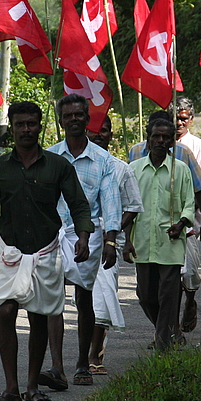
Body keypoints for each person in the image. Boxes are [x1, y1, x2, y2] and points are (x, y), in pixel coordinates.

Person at [0, 101, 93, 401]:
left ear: (41, 126)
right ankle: (10, 389)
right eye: (21, 124)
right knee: (5, 312)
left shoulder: (58, 166)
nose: (26, 129)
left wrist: (83, 237)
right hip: (10, 253)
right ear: (13, 128)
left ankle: (32, 388)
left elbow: (79, 205)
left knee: (39, 317)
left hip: (46, 252)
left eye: (32, 123)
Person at [42, 94, 121, 388]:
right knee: (52, 299)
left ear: (88, 121)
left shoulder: (104, 161)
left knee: (84, 298)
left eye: (79, 115)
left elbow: (111, 203)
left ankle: (82, 364)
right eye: (68, 116)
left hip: (89, 235)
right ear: (61, 121)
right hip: (53, 234)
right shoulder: (48, 156)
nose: (74, 120)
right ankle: (57, 367)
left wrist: (111, 242)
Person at [129, 110, 201, 345]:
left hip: (171, 240)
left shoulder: (181, 163)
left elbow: (195, 194)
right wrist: (120, 238)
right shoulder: (135, 161)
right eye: (156, 136)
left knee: (169, 293)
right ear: (148, 137)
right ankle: (170, 331)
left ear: (173, 140)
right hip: (143, 239)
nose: (161, 141)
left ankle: (164, 342)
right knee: (145, 295)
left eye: (167, 137)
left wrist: (190, 222)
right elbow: (129, 202)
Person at [85, 115, 143, 374]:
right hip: (76, 240)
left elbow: (132, 206)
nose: (98, 134)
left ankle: (94, 355)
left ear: (111, 135)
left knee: (103, 296)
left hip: (109, 243)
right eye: (94, 129)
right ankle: (77, 355)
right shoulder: (70, 165)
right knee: (82, 299)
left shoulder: (121, 168)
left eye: (104, 130)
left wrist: (114, 230)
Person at [167, 97, 201, 335]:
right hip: (164, 226)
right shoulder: (159, 144)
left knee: (190, 274)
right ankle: (170, 329)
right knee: (170, 279)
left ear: (191, 119)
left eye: (183, 118)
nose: (179, 122)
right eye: (174, 117)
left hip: (190, 225)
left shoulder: (199, 147)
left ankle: (191, 300)